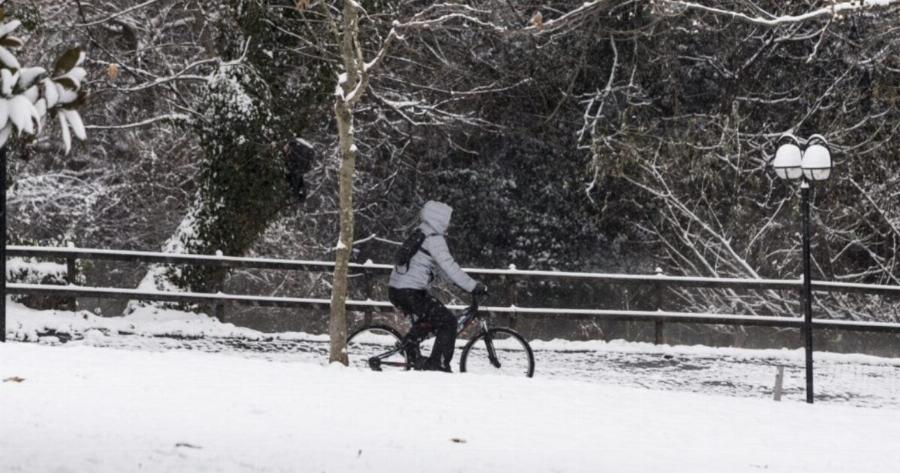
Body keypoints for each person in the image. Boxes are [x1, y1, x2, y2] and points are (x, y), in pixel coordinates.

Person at [388, 201, 488, 372]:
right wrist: (473, 286)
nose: (448, 224)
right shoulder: (434, 239)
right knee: (448, 321)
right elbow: (450, 266)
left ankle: (410, 346)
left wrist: (457, 283)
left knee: (432, 318)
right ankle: (438, 363)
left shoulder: (421, 231)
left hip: (398, 290)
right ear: (439, 219)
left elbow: (439, 269)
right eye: (447, 219)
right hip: (410, 291)